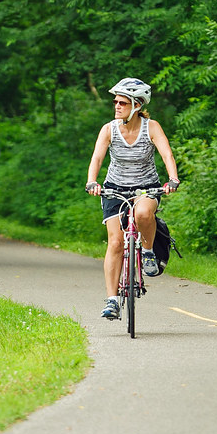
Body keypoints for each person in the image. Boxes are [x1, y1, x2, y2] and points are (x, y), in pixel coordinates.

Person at [86, 77, 179, 320]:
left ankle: (147, 251)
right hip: (114, 188)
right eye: (115, 101)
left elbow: (166, 154)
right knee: (115, 243)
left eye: (122, 102)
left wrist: (172, 179)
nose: (116, 106)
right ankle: (112, 300)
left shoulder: (152, 127)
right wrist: (92, 182)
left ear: (137, 105)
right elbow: (97, 158)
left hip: (146, 187)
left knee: (143, 213)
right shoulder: (109, 129)